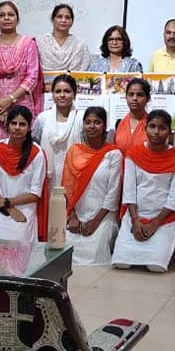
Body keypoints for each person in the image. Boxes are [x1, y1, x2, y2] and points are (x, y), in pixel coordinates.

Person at [112, 110, 175, 272]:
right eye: (152, 126)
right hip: (135, 215)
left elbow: (174, 198)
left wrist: (155, 223)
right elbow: (129, 191)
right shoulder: (134, 154)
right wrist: (135, 221)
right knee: (121, 263)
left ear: (170, 132)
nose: (156, 132)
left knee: (155, 267)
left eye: (162, 128)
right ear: (145, 129)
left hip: (164, 219)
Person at [0, 1, 43, 157]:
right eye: (2, 15)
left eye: (11, 14)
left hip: (21, 105)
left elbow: (32, 76)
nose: (6, 18)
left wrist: (10, 100)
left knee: (19, 152)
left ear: (17, 19)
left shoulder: (28, 44)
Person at [63, 107, 123, 265]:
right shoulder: (74, 151)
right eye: (88, 122)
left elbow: (113, 193)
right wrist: (73, 217)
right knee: (65, 252)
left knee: (96, 255)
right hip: (77, 214)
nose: (92, 126)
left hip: (103, 215)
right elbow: (67, 189)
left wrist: (96, 221)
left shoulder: (113, 154)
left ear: (104, 126)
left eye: (97, 122)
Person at [0, 105, 50, 243]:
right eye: (13, 123)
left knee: (16, 239)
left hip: (25, 208)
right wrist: (9, 207)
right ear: (7, 125)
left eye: (22, 124)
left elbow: (35, 194)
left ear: (29, 127)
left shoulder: (36, 153)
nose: (17, 128)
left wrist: (8, 203)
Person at [32, 74, 84, 187]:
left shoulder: (82, 119)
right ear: (52, 94)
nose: (62, 95)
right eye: (58, 91)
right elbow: (35, 148)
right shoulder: (43, 118)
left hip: (75, 176)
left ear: (74, 94)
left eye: (67, 91)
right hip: (46, 176)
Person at [39, 4, 92, 73]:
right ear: (52, 19)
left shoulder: (79, 45)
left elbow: (81, 71)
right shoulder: (41, 43)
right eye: (59, 17)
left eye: (67, 17)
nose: (63, 20)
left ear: (72, 22)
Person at [112, 78, 151, 153]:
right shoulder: (119, 124)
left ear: (148, 98)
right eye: (131, 94)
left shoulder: (152, 124)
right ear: (126, 97)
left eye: (140, 95)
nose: (135, 98)